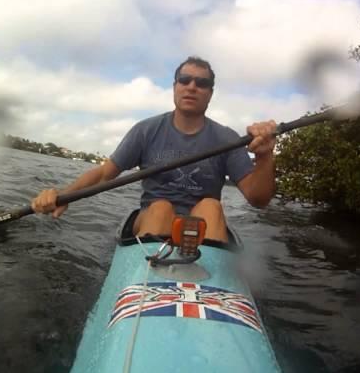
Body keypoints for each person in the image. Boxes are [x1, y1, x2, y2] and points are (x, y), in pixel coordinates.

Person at [32, 56, 277, 242]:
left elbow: (259, 199)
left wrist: (264, 156)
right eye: (185, 80)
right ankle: (150, 271)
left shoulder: (227, 137)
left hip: (202, 229)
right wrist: (65, 195)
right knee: (160, 208)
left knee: (211, 207)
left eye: (201, 83)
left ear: (210, 94)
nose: (192, 86)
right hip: (152, 220)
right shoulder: (146, 130)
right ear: (175, 87)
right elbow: (105, 173)